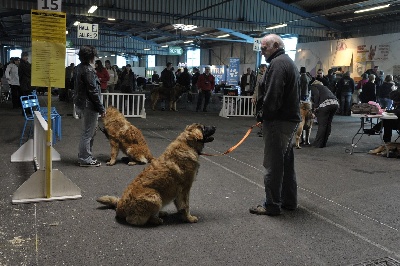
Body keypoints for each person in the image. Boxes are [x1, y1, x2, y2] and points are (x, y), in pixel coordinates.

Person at [249, 34, 300, 216]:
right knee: (285, 163)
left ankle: (272, 205)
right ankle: (289, 201)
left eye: (264, 48)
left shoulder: (278, 64)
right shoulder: (287, 62)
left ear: (276, 45)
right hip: (288, 120)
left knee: (273, 165)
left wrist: (263, 115)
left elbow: (273, 96)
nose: (262, 52)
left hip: (278, 121)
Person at [73, 45, 106, 167]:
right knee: (88, 133)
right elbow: (93, 92)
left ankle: (86, 155)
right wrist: (101, 109)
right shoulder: (89, 70)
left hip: (81, 103)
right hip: (90, 106)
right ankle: (85, 158)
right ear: (91, 57)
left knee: (89, 132)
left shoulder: (78, 68)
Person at [309, 80, 339, 148]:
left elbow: (316, 96)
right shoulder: (325, 88)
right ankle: (324, 142)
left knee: (322, 125)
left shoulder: (314, 86)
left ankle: (318, 144)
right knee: (328, 124)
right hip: (335, 103)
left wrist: (315, 108)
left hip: (325, 105)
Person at [252, 64, 267, 137]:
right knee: (257, 114)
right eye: (262, 69)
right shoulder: (258, 76)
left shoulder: (268, 76)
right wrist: (254, 97)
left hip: (265, 99)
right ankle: (262, 129)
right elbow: (256, 87)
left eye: (264, 69)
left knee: (262, 115)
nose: (263, 70)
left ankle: (263, 131)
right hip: (259, 98)